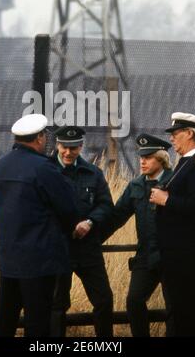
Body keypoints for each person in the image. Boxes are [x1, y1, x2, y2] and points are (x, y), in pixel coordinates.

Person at [0, 114, 79, 337]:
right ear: (39, 138)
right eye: (44, 136)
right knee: (38, 323)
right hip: (39, 261)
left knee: (5, 320)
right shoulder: (44, 168)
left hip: (8, 260)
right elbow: (69, 209)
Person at [150, 112, 195, 336]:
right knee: (179, 312)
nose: (172, 138)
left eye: (176, 133)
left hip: (189, 252)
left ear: (189, 133)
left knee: (189, 312)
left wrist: (166, 199)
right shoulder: (186, 162)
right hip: (178, 252)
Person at [101, 134, 173, 337]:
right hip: (145, 256)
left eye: (148, 157)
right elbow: (116, 217)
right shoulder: (136, 185)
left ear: (161, 159)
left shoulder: (175, 181)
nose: (142, 161)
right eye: (141, 156)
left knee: (174, 307)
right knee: (134, 301)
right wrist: (93, 239)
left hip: (171, 255)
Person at [50, 126, 114, 337]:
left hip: (88, 249)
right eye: (64, 147)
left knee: (104, 300)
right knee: (56, 305)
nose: (68, 153)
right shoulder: (45, 171)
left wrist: (90, 222)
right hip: (57, 250)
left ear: (81, 146)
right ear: (57, 145)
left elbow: (106, 205)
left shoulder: (93, 173)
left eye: (74, 148)